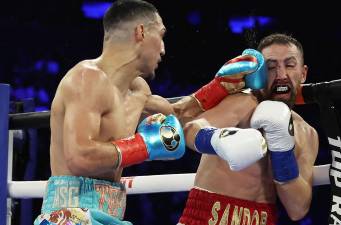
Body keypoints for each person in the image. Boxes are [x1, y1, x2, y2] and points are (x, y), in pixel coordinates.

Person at [33, 0, 267, 224]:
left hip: (111, 215)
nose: (164, 49)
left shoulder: (138, 90)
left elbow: (179, 115)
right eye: (161, 35)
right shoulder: (87, 78)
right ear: (141, 32)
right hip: (69, 216)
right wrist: (144, 146)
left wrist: (220, 86)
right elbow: (80, 158)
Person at [179, 33, 319, 225]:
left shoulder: (307, 133)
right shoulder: (244, 103)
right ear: (260, 75)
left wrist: (282, 152)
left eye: (289, 65)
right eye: (271, 67)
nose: (281, 75)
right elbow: (191, 129)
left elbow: (298, 209)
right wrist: (219, 139)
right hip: (209, 216)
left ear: (303, 74)